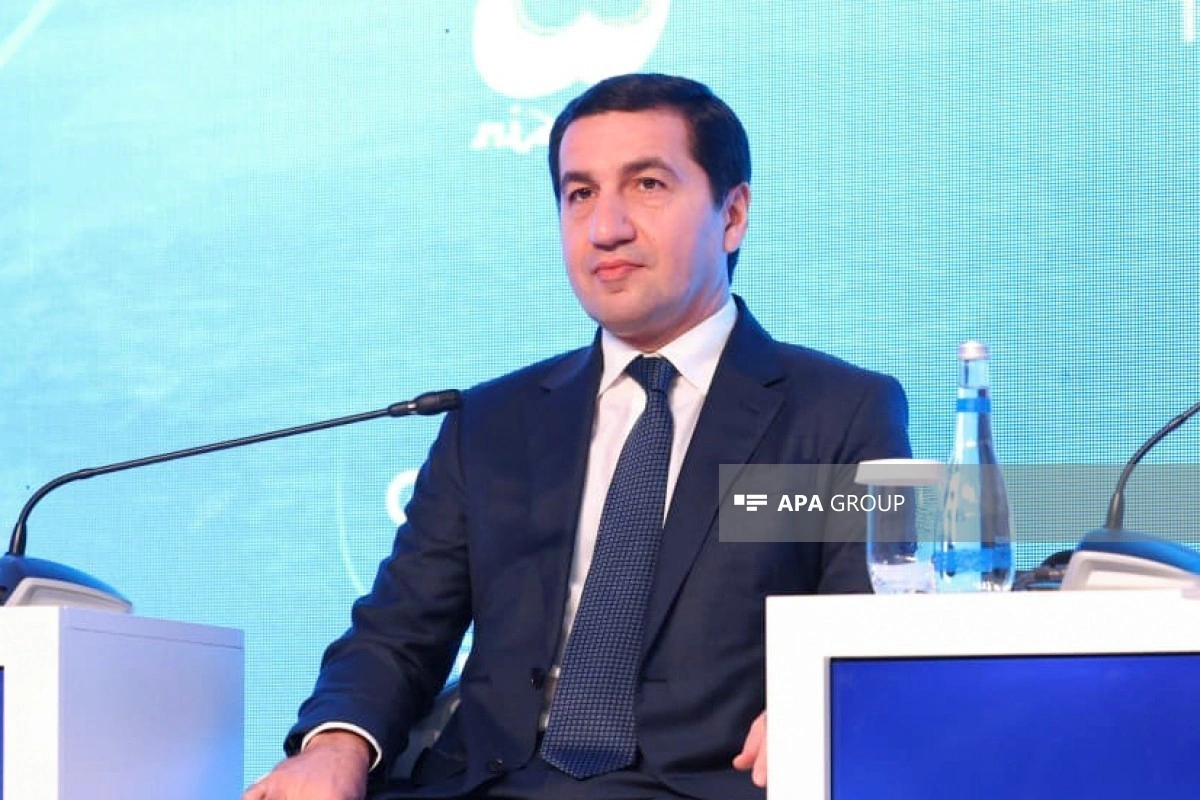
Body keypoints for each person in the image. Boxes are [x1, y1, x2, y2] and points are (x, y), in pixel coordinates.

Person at [244, 73, 910, 800]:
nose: (605, 227)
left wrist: (824, 701)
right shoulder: (490, 422)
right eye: (580, 193)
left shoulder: (841, 413)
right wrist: (335, 745)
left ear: (733, 214)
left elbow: (872, 622)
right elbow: (397, 632)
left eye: (647, 185)